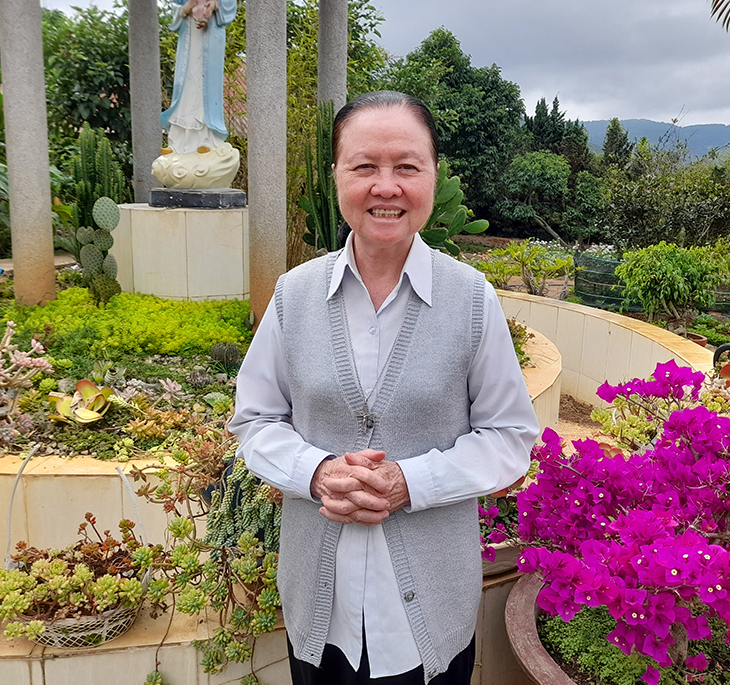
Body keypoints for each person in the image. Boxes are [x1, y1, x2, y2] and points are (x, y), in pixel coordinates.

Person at [229, 91, 539, 685]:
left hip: (430, 614)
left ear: (433, 175)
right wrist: (317, 472)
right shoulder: (294, 295)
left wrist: (410, 483)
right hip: (323, 610)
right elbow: (256, 418)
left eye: (406, 166)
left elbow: (508, 436)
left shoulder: (471, 299)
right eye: (364, 166)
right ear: (337, 177)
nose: (385, 186)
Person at [160, 0, 237, 155]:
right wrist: (183, 9)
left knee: (205, 88)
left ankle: (206, 142)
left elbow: (230, 5)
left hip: (211, 34)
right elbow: (171, 7)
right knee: (185, 85)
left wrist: (216, 4)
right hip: (188, 34)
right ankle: (177, 142)